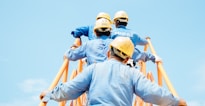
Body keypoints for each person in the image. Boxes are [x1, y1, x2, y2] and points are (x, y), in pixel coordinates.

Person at [40, 37, 187, 106]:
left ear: (108, 52)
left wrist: (49, 94)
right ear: (127, 59)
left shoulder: (93, 69)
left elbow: (71, 89)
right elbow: (151, 92)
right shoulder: (133, 73)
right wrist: (175, 101)